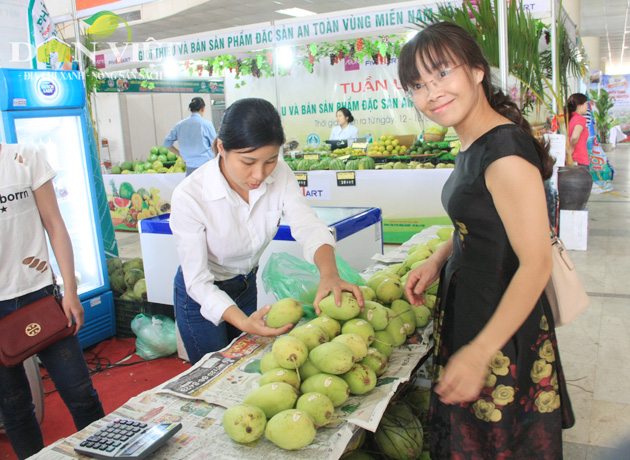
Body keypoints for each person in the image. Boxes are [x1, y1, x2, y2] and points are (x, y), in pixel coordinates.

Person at [399, 22, 574, 459]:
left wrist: (479, 352)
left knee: (498, 446)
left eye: (442, 73)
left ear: (477, 70)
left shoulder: (505, 154)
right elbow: (484, 224)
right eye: (417, 85)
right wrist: (439, 260)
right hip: (475, 310)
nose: (431, 92)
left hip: (500, 329)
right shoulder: (474, 140)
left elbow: (536, 265)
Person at [170, 98, 364, 364]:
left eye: (270, 160)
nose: (259, 175)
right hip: (200, 297)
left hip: (245, 285)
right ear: (221, 147)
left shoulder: (280, 174)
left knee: (247, 364)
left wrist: (329, 274)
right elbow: (197, 282)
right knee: (216, 369)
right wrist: (242, 321)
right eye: (248, 162)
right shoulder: (190, 195)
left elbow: (307, 225)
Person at [0, 142, 105, 459]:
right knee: (14, 408)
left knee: (81, 393)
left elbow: (55, 224)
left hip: (40, 295)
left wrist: (70, 290)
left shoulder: (23, 158)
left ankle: (105, 452)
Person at [163, 97, 216, 176]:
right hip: (206, 166)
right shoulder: (206, 124)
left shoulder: (179, 125)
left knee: (192, 188)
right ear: (203, 108)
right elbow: (215, 145)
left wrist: (180, 154)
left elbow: (166, 143)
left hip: (189, 167)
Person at [565, 93, 590, 167]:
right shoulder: (580, 119)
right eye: (586, 104)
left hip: (573, 159)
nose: (587, 107)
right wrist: (571, 148)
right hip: (580, 159)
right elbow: (575, 136)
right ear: (580, 106)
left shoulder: (571, 118)